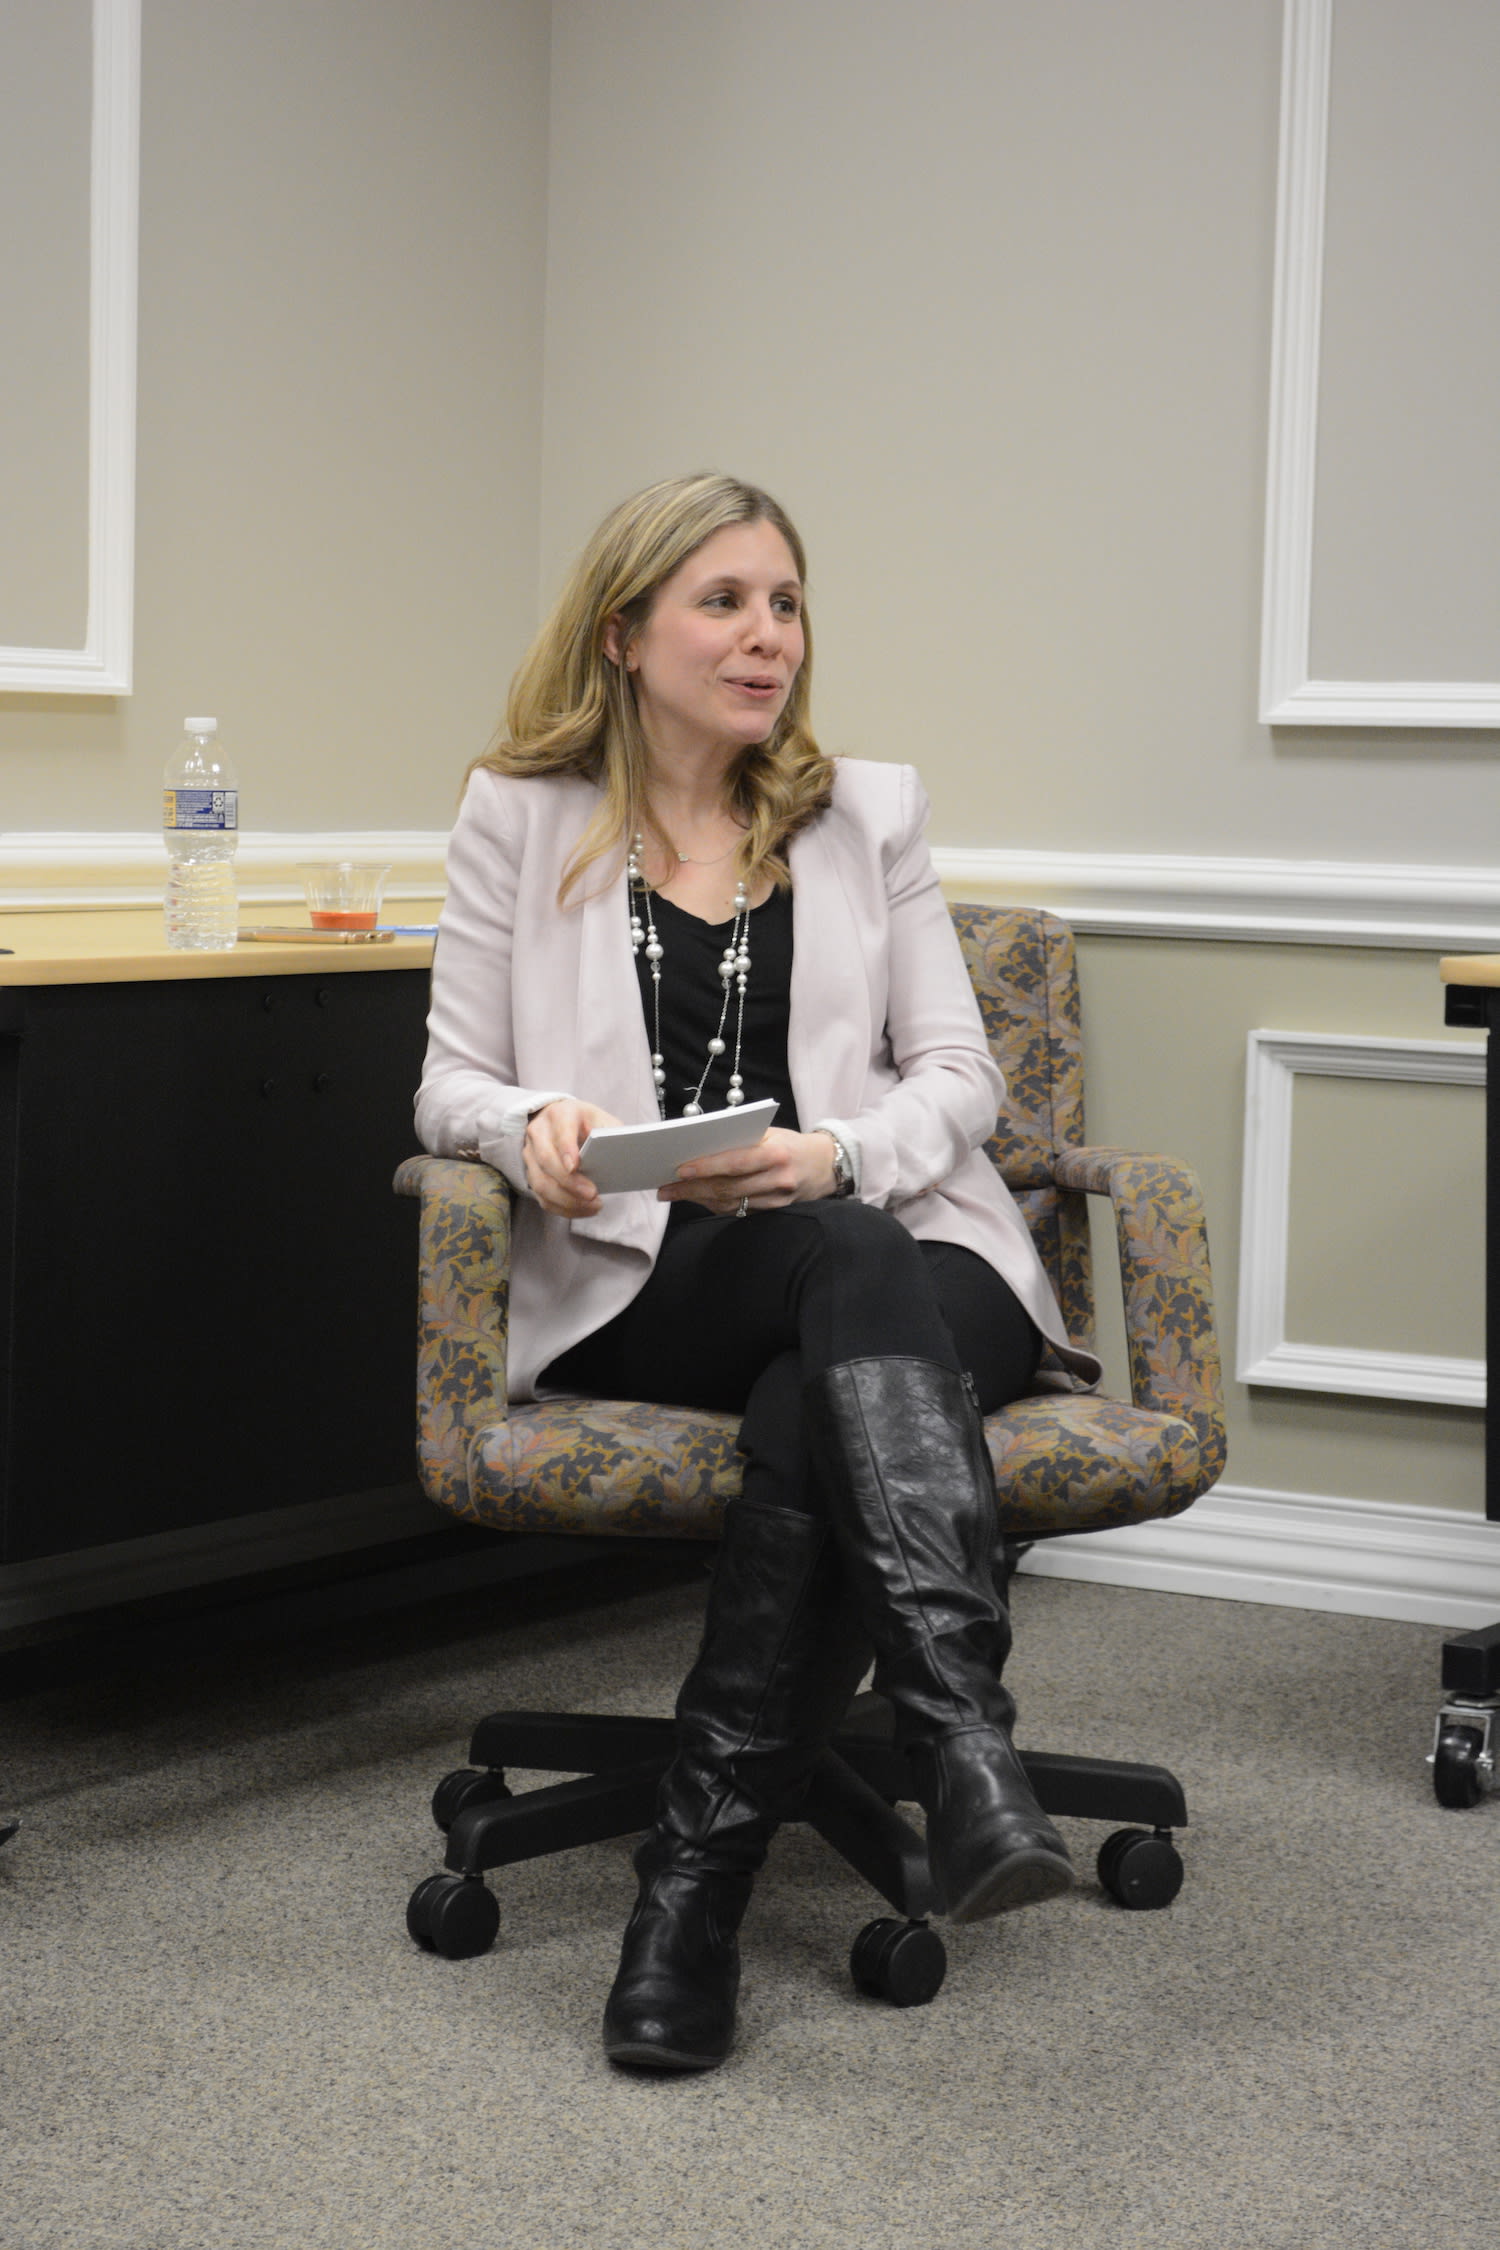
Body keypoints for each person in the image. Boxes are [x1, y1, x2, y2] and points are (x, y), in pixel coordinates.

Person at [416, 472, 1099, 2072]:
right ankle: (961, 1734)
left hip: (905, 1251)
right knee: (828, 1298)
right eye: (723, 601)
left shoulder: (865, 810)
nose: (765, 634)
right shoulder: (517, 814)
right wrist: (538, 1126)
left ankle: (690, 1903)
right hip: (657, 1272)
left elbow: (960, 1079)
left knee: (839, 1307)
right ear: (625, 632)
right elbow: (446, 1084)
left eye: (784, 602)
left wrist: (831, 1158)